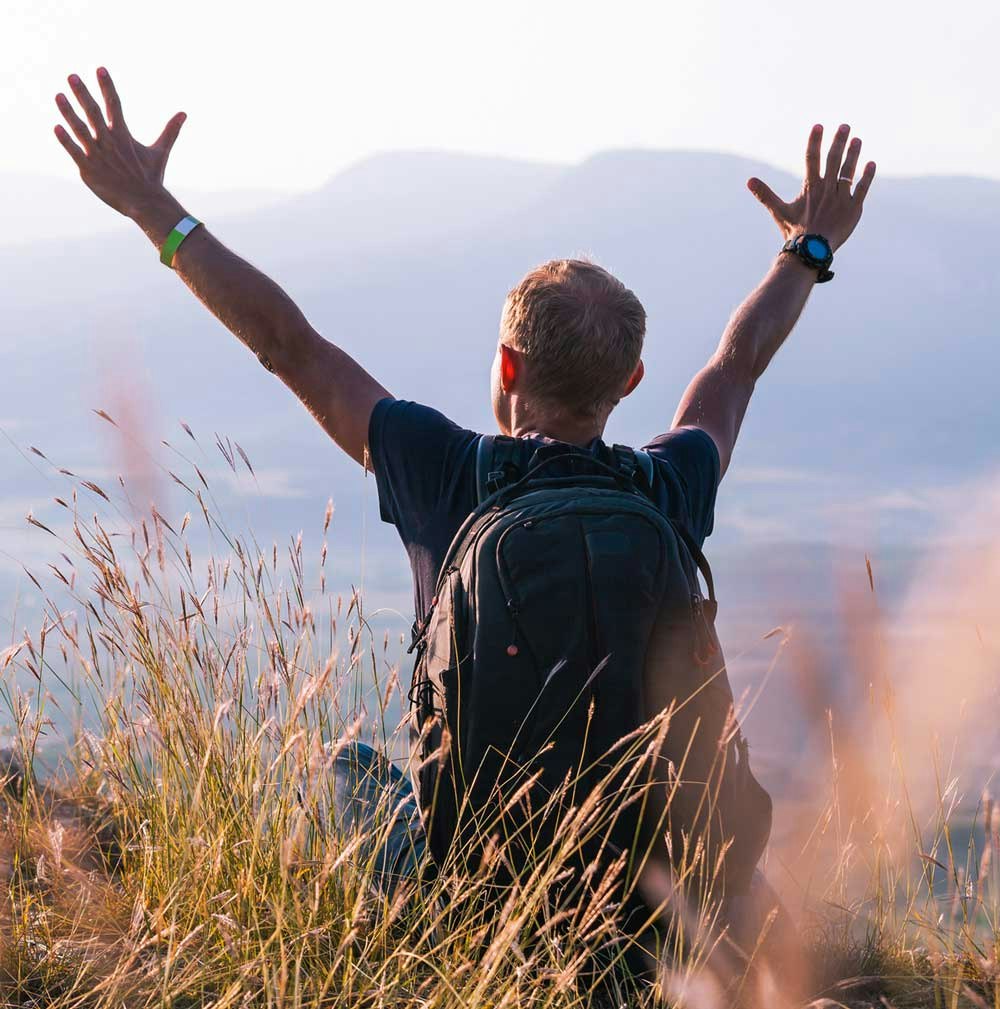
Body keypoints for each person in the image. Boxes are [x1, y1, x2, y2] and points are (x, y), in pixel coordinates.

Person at [54, 68, 876, 989]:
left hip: (475, 903)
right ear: (633, 384)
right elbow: (736, 365)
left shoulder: (444, 470)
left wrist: (153, 211)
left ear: (506, 364)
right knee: (749, 884)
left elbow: (289, 343)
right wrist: (806, 247)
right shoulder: (667, 486)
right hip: (657, 897)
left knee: (351, 767)